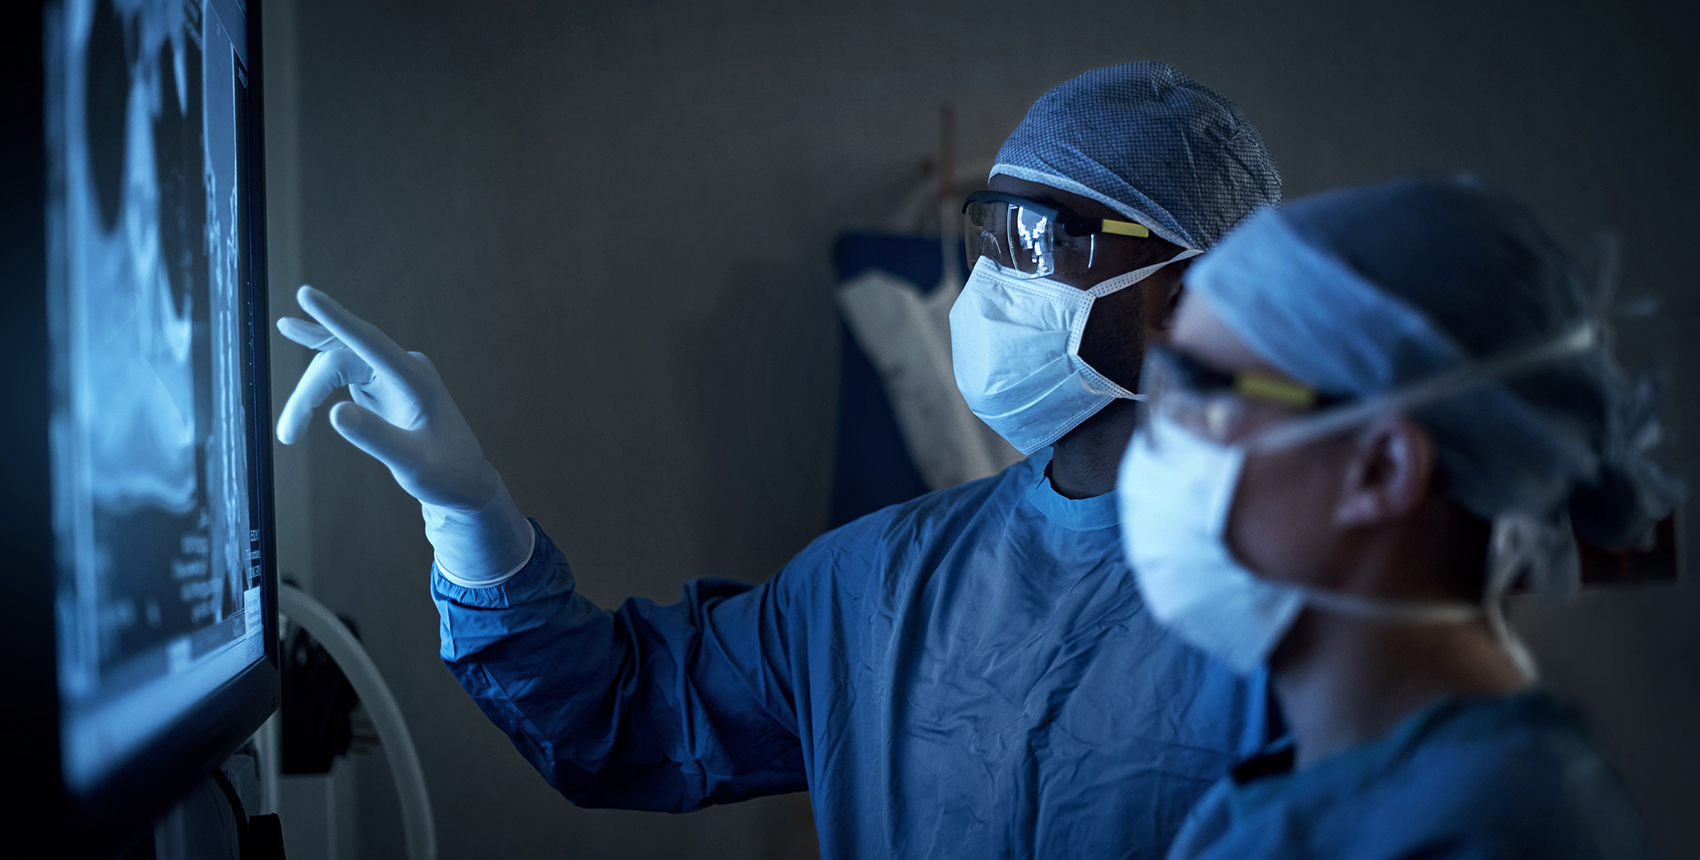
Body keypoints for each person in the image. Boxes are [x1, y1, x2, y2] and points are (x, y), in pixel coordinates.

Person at [275, 63, 1283, 858]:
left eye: (1040, 238)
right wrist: (471, 519)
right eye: (987, 231)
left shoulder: (1310, 603)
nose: (991, 280)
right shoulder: (885, 580)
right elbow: (618, 714)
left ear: (1191, 290)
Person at [1116, 176, 1682, 859]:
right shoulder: (1305, 785)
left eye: (1200, 399)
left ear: (1381, 468)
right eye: (1163, 390)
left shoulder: (1494, 831)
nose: (1158, 443)